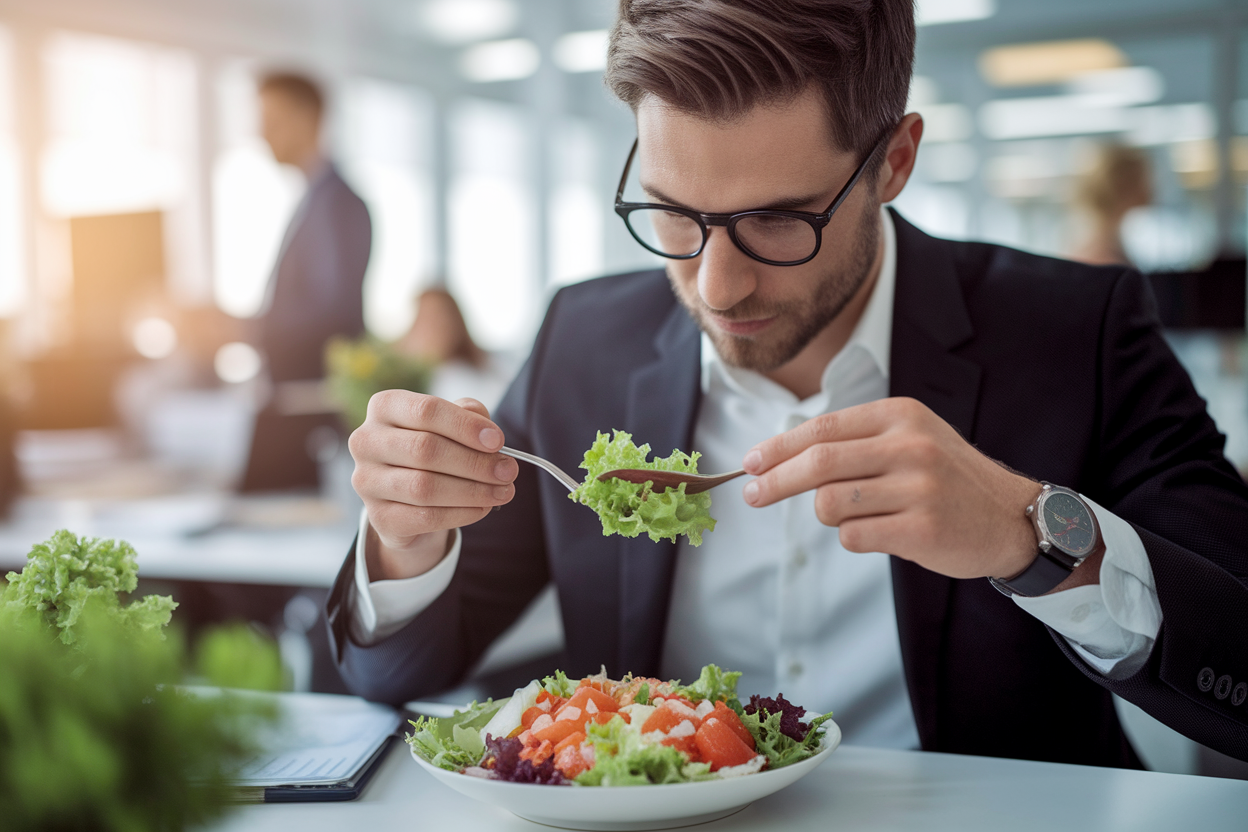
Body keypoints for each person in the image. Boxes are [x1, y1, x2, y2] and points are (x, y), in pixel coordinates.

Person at [328, 0, 1248, 767]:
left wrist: (1027, 534)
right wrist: (404, 539)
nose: (718, 289)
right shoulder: (585, 338)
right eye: (672, 213)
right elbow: (396, 671)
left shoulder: (1076, 331)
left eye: (777, 220)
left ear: (893, 161)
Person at [241, 71, 372, 491]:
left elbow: (331, 311)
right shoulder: (315, 200)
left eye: (272, 119)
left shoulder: (337, 204)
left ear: (309, 118)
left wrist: (243, 327)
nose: (262, 133)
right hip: (294, 407)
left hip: (309, 414)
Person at [396, 288, 513, 412]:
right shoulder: (407, 378)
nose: (435, 328)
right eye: (425, 318)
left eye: (441, 317)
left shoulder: (465, 371)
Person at [1069, 144, 1152, 267]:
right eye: (1143, 179)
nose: (1150, 187)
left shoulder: (1106, 244)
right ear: (1124, 185)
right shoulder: (1101, 255)